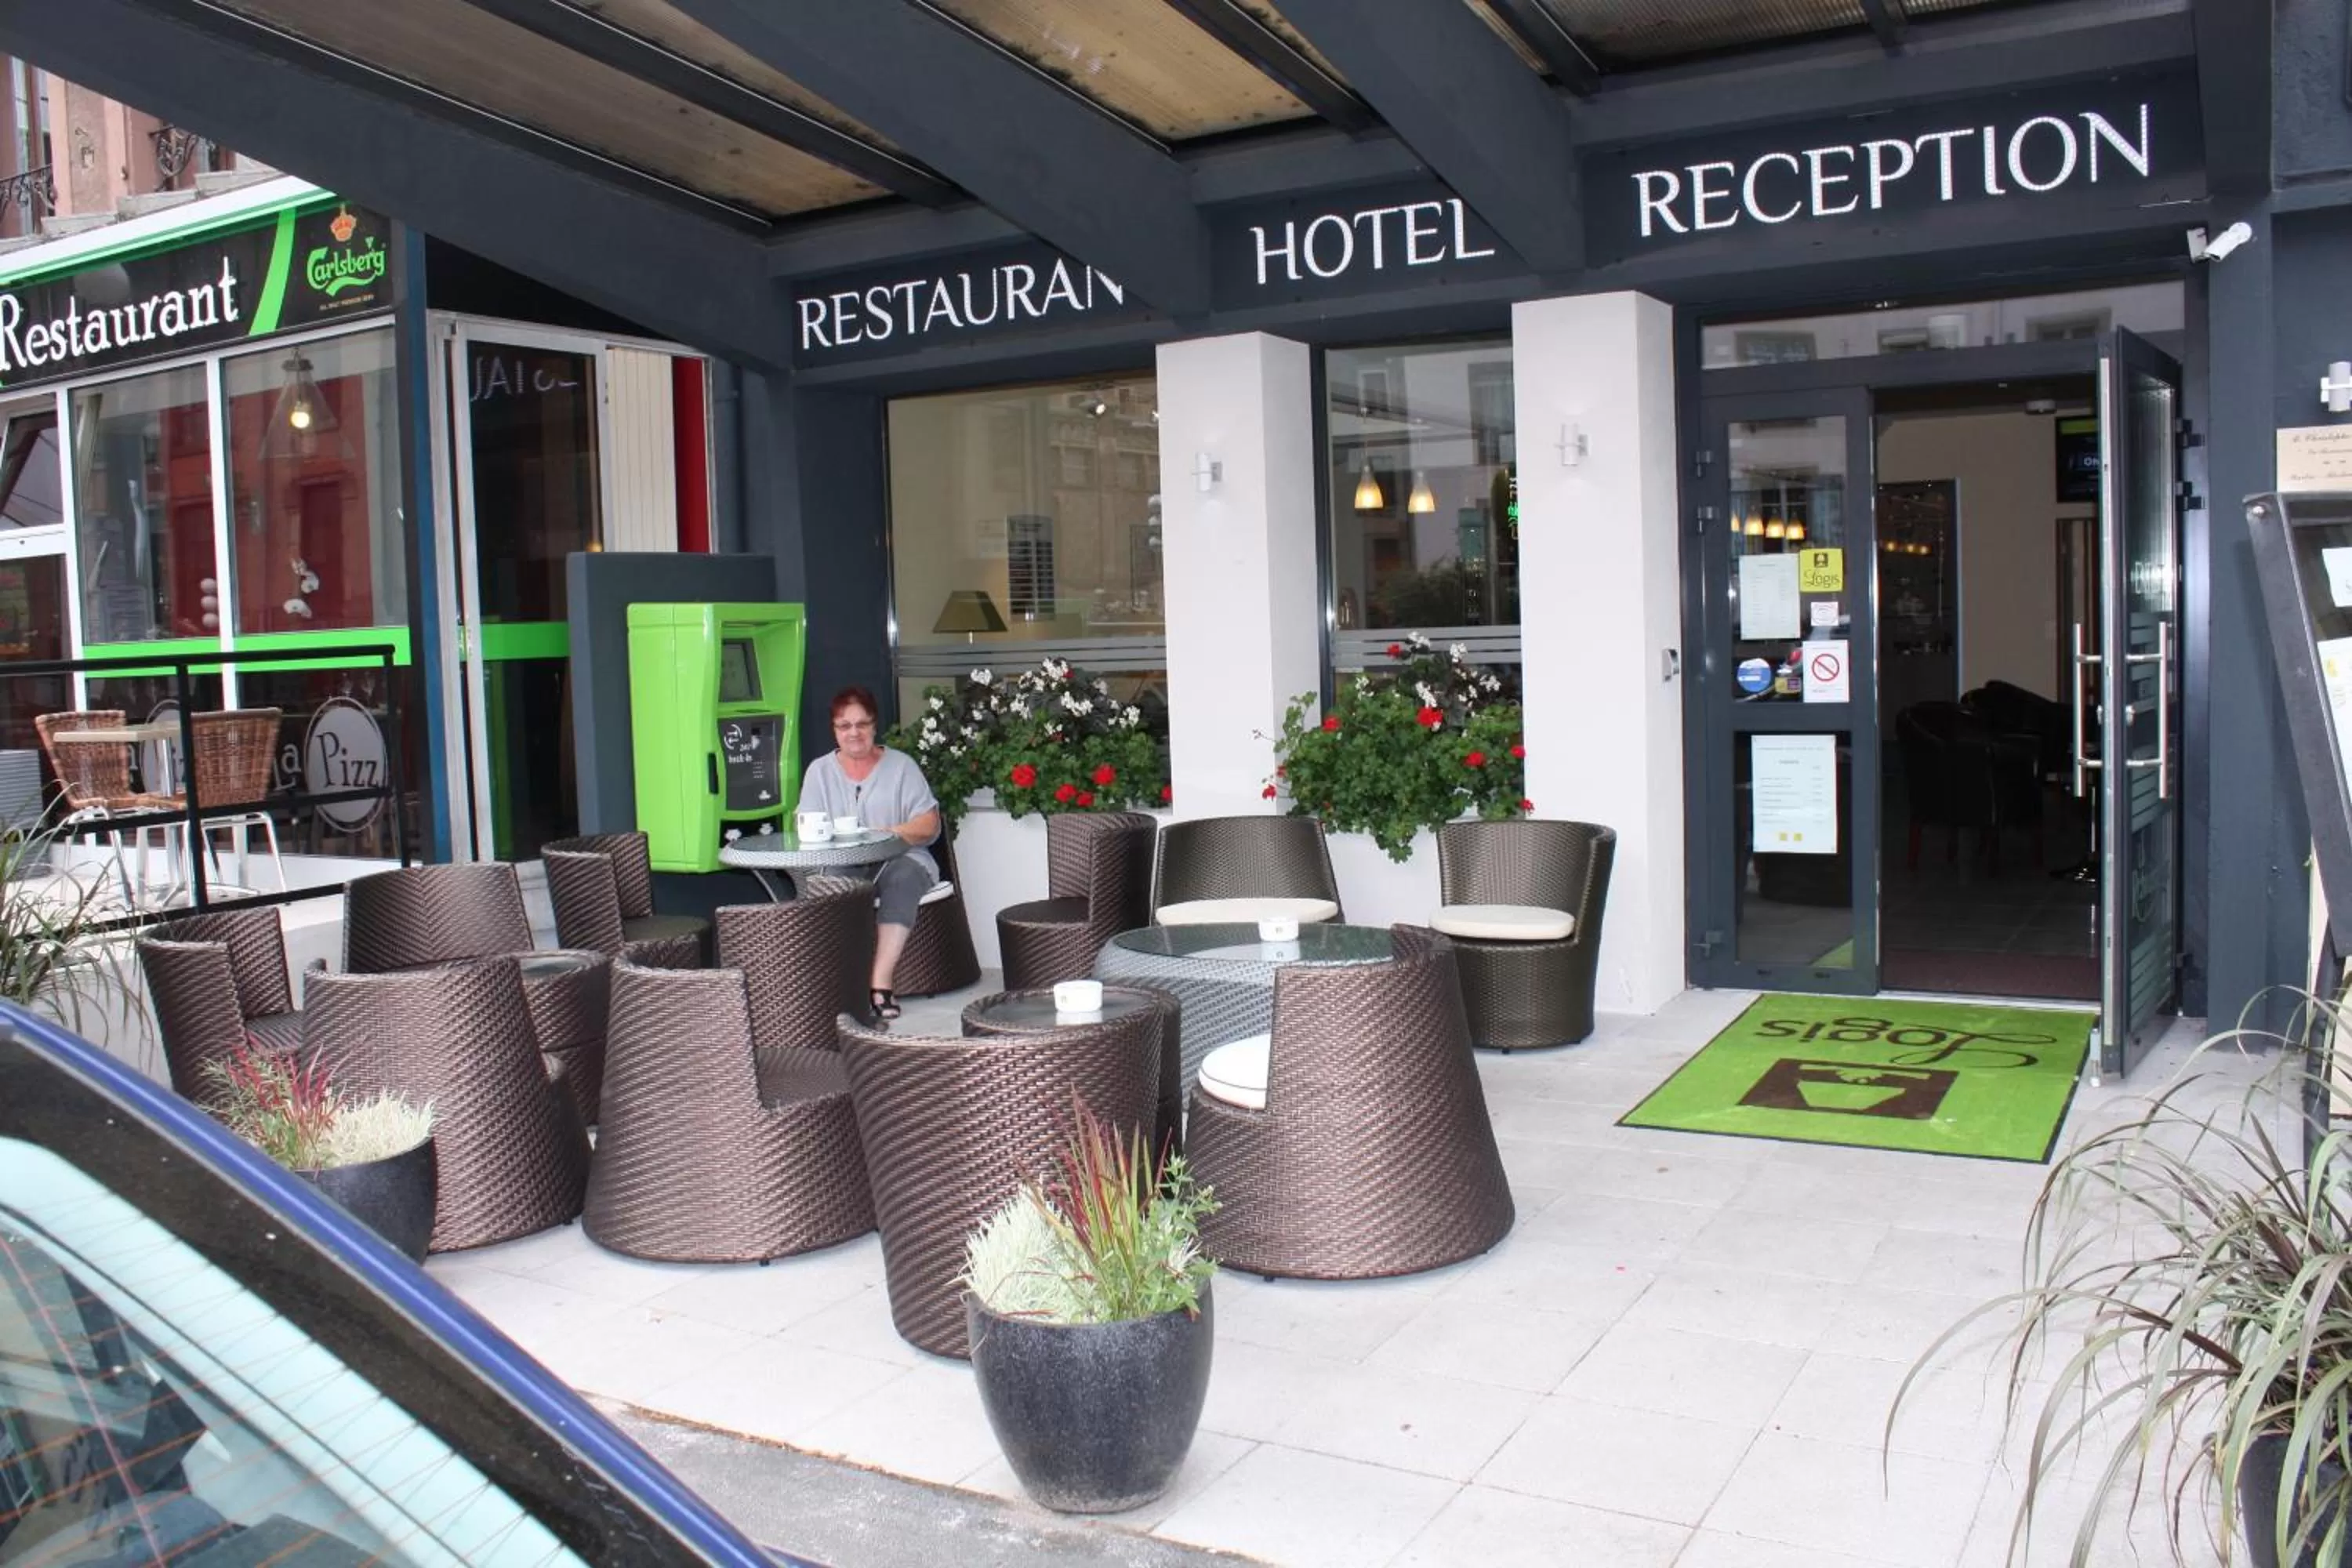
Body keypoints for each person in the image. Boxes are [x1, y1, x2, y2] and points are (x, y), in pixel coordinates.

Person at [797, 685, 940, 1022]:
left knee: (903, 878)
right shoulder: (819, 771)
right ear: (834, 730)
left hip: (899, 859)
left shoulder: (901, 767)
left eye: (862, 724)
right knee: (829, 885)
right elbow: (807, 826)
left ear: (875, 726)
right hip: (841, 863)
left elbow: (929, 824)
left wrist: (889, 834)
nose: (854, 733)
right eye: (844, 726)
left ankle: (881, 983)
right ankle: (836, 988)